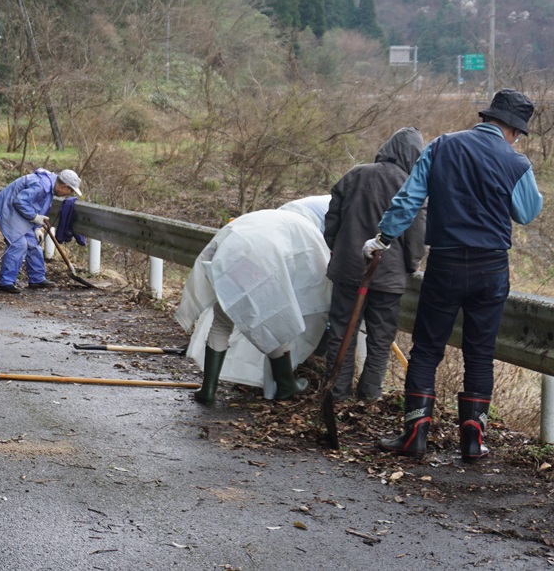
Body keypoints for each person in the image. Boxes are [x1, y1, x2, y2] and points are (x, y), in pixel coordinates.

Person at [366, 90, 543, 461]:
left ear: (487, 117)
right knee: (480, 353)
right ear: (512, 129)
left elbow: (410, 199)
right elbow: (527, 212)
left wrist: (383, 238)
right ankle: (473, 442)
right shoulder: (516, 161)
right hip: (491, 268)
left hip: (445, 263)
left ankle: (415, 435)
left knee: (428, 349)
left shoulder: (443, 145)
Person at [175, 196, 332, 403]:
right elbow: (313, 274)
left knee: (222, 321)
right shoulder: (309, 229)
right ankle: (286, 384)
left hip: (228, 252)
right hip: (257, 260)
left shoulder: (275, 216)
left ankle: (208, 390)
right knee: (272, 318)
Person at [322, 127, 427, 401]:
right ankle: (369, 396)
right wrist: (412, 263)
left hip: (348, 269)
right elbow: (417, 234)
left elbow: (331, 221)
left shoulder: (355, 174)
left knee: (341, 331)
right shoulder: (412, 185)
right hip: (389, 277)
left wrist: (338, 250)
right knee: (380, 339)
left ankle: (336, 394)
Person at [0, 168, 83, 294]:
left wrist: (36, 228)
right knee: (18, 245)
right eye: (70, 191)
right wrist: (34, 217)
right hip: (7, 210)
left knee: (33, 243)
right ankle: (6, 282)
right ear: (64, 186)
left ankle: (37, 279)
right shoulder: (41, 186)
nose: (68, 194)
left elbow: (39, 207)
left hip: (18, 212)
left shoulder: (50, 186)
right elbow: (19, 201)